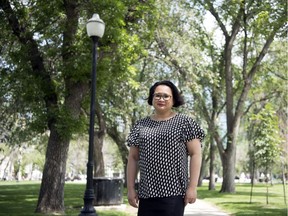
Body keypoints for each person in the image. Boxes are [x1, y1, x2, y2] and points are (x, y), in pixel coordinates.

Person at [126, 80, 205, 216]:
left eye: (166, 96)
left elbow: (196, 154)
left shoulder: (185, 123)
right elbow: (133, 158)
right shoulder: (140, 125)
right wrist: (131, 189)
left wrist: (192, 187)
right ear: (152, 98)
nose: (161, 99)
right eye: (157, 95)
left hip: (173, 193)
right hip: (146, 194)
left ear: (173, 99)